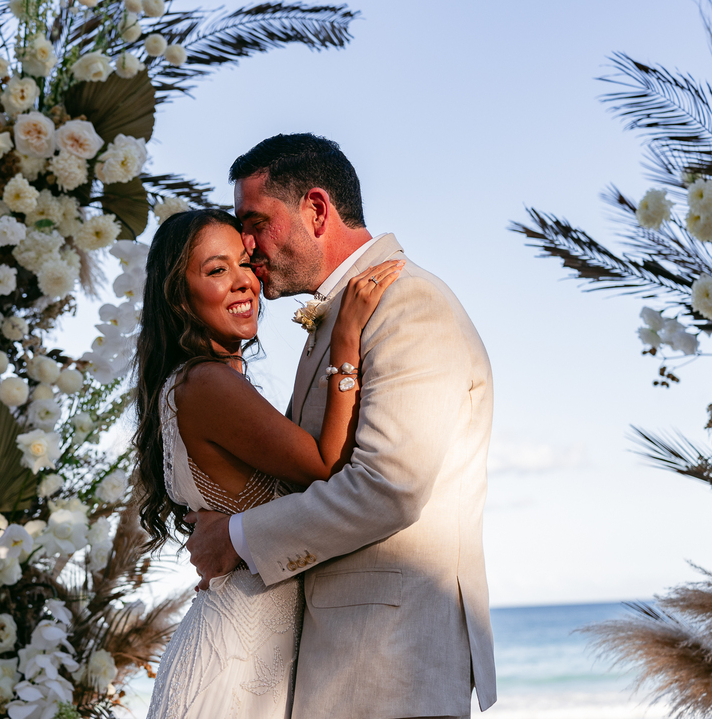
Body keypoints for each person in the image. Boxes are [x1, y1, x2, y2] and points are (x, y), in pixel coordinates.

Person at [184, 133, 497, 719]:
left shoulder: (408, 304)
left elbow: (388, 487)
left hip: (389, 665)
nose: (246, 245)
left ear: (317, 210)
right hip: (340, 663)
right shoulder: (340, 316)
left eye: (255, 222)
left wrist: (237, 536)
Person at [135, 207, 404, 718]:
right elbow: (326, 465)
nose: (243, 281)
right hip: (234, 669)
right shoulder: (206, 383)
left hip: (246, 654)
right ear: (180, 296)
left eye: (245, 263)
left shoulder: (196, 382)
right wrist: (345, 340)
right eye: (217, 270)